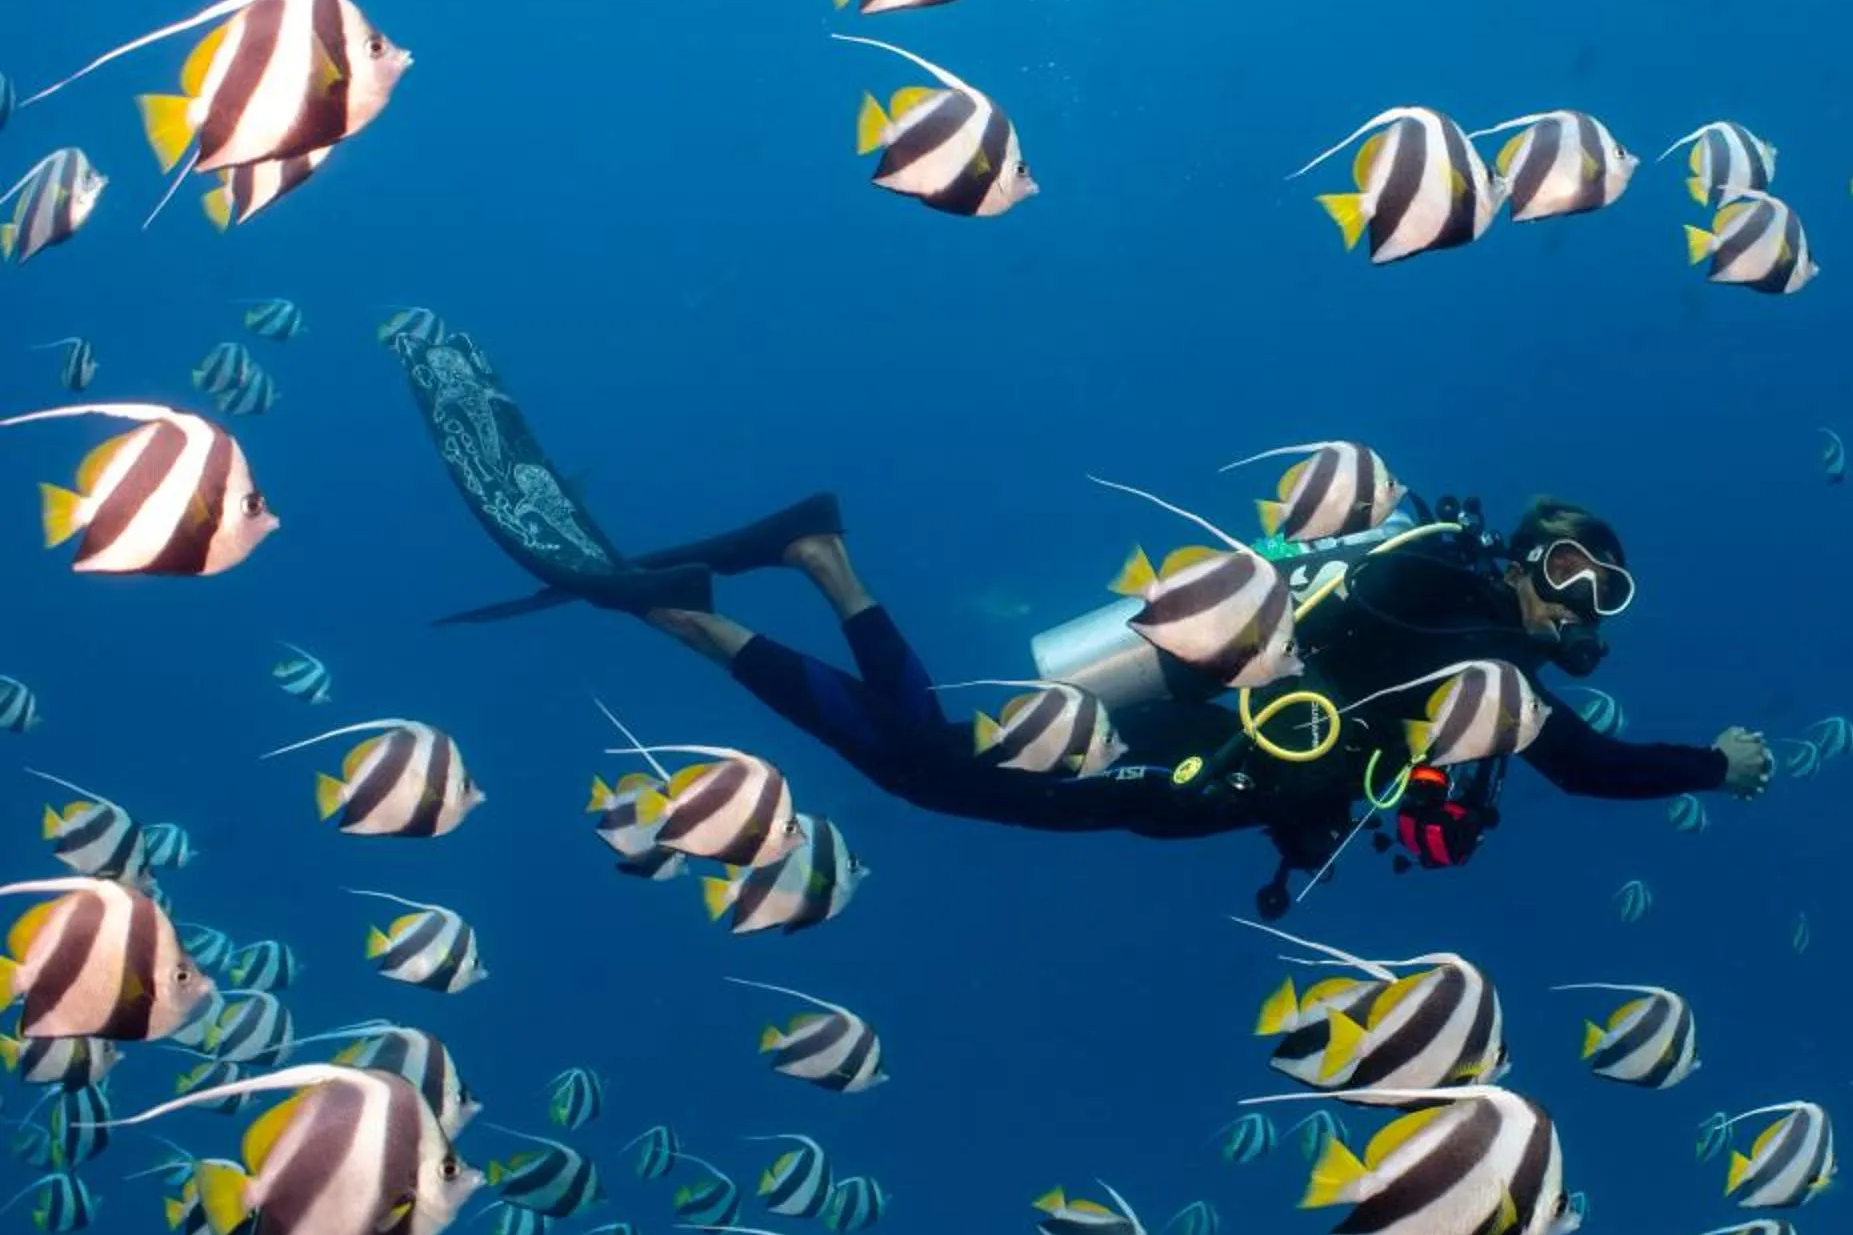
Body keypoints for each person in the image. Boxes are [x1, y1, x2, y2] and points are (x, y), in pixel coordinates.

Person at [403, 330, 1770, 911]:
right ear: (1525, 560)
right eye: (1571, 572)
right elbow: (1589, 767)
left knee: (924, 758)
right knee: (927, 768)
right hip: (1173, 747)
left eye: (1605, 593)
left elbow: (1390, 751)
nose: (1577, 603)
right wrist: (1727, 763)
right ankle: (808, 567)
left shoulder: (1469, 636)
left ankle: (743, 605)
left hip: (1185, 747)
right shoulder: (1472, 630)